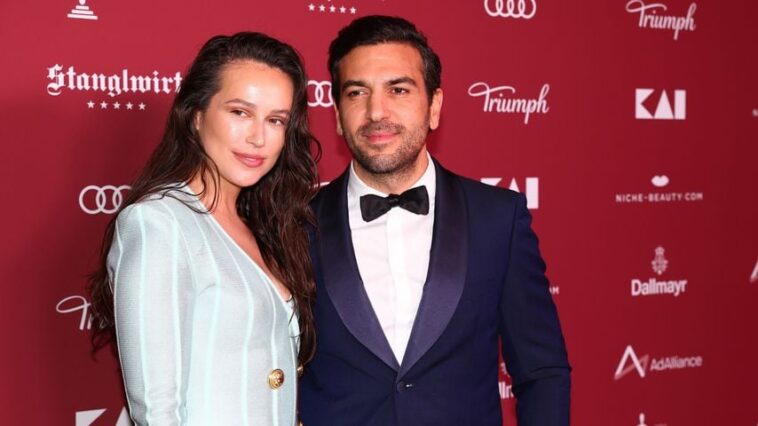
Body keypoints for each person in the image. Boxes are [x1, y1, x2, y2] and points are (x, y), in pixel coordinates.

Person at [299, 16, 571, 425]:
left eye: (399, 89)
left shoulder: (497, 219)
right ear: (337, 114)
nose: (376, 111)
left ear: (434, 106)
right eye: (357, 92)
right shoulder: (294, 224)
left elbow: (542, 371)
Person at [87, 32, 319, 425]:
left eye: (275, 120)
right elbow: (157, 412)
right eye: (240, 112)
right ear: (196, 117)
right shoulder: (158, 223)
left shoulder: (261, 224)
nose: (258, 137)